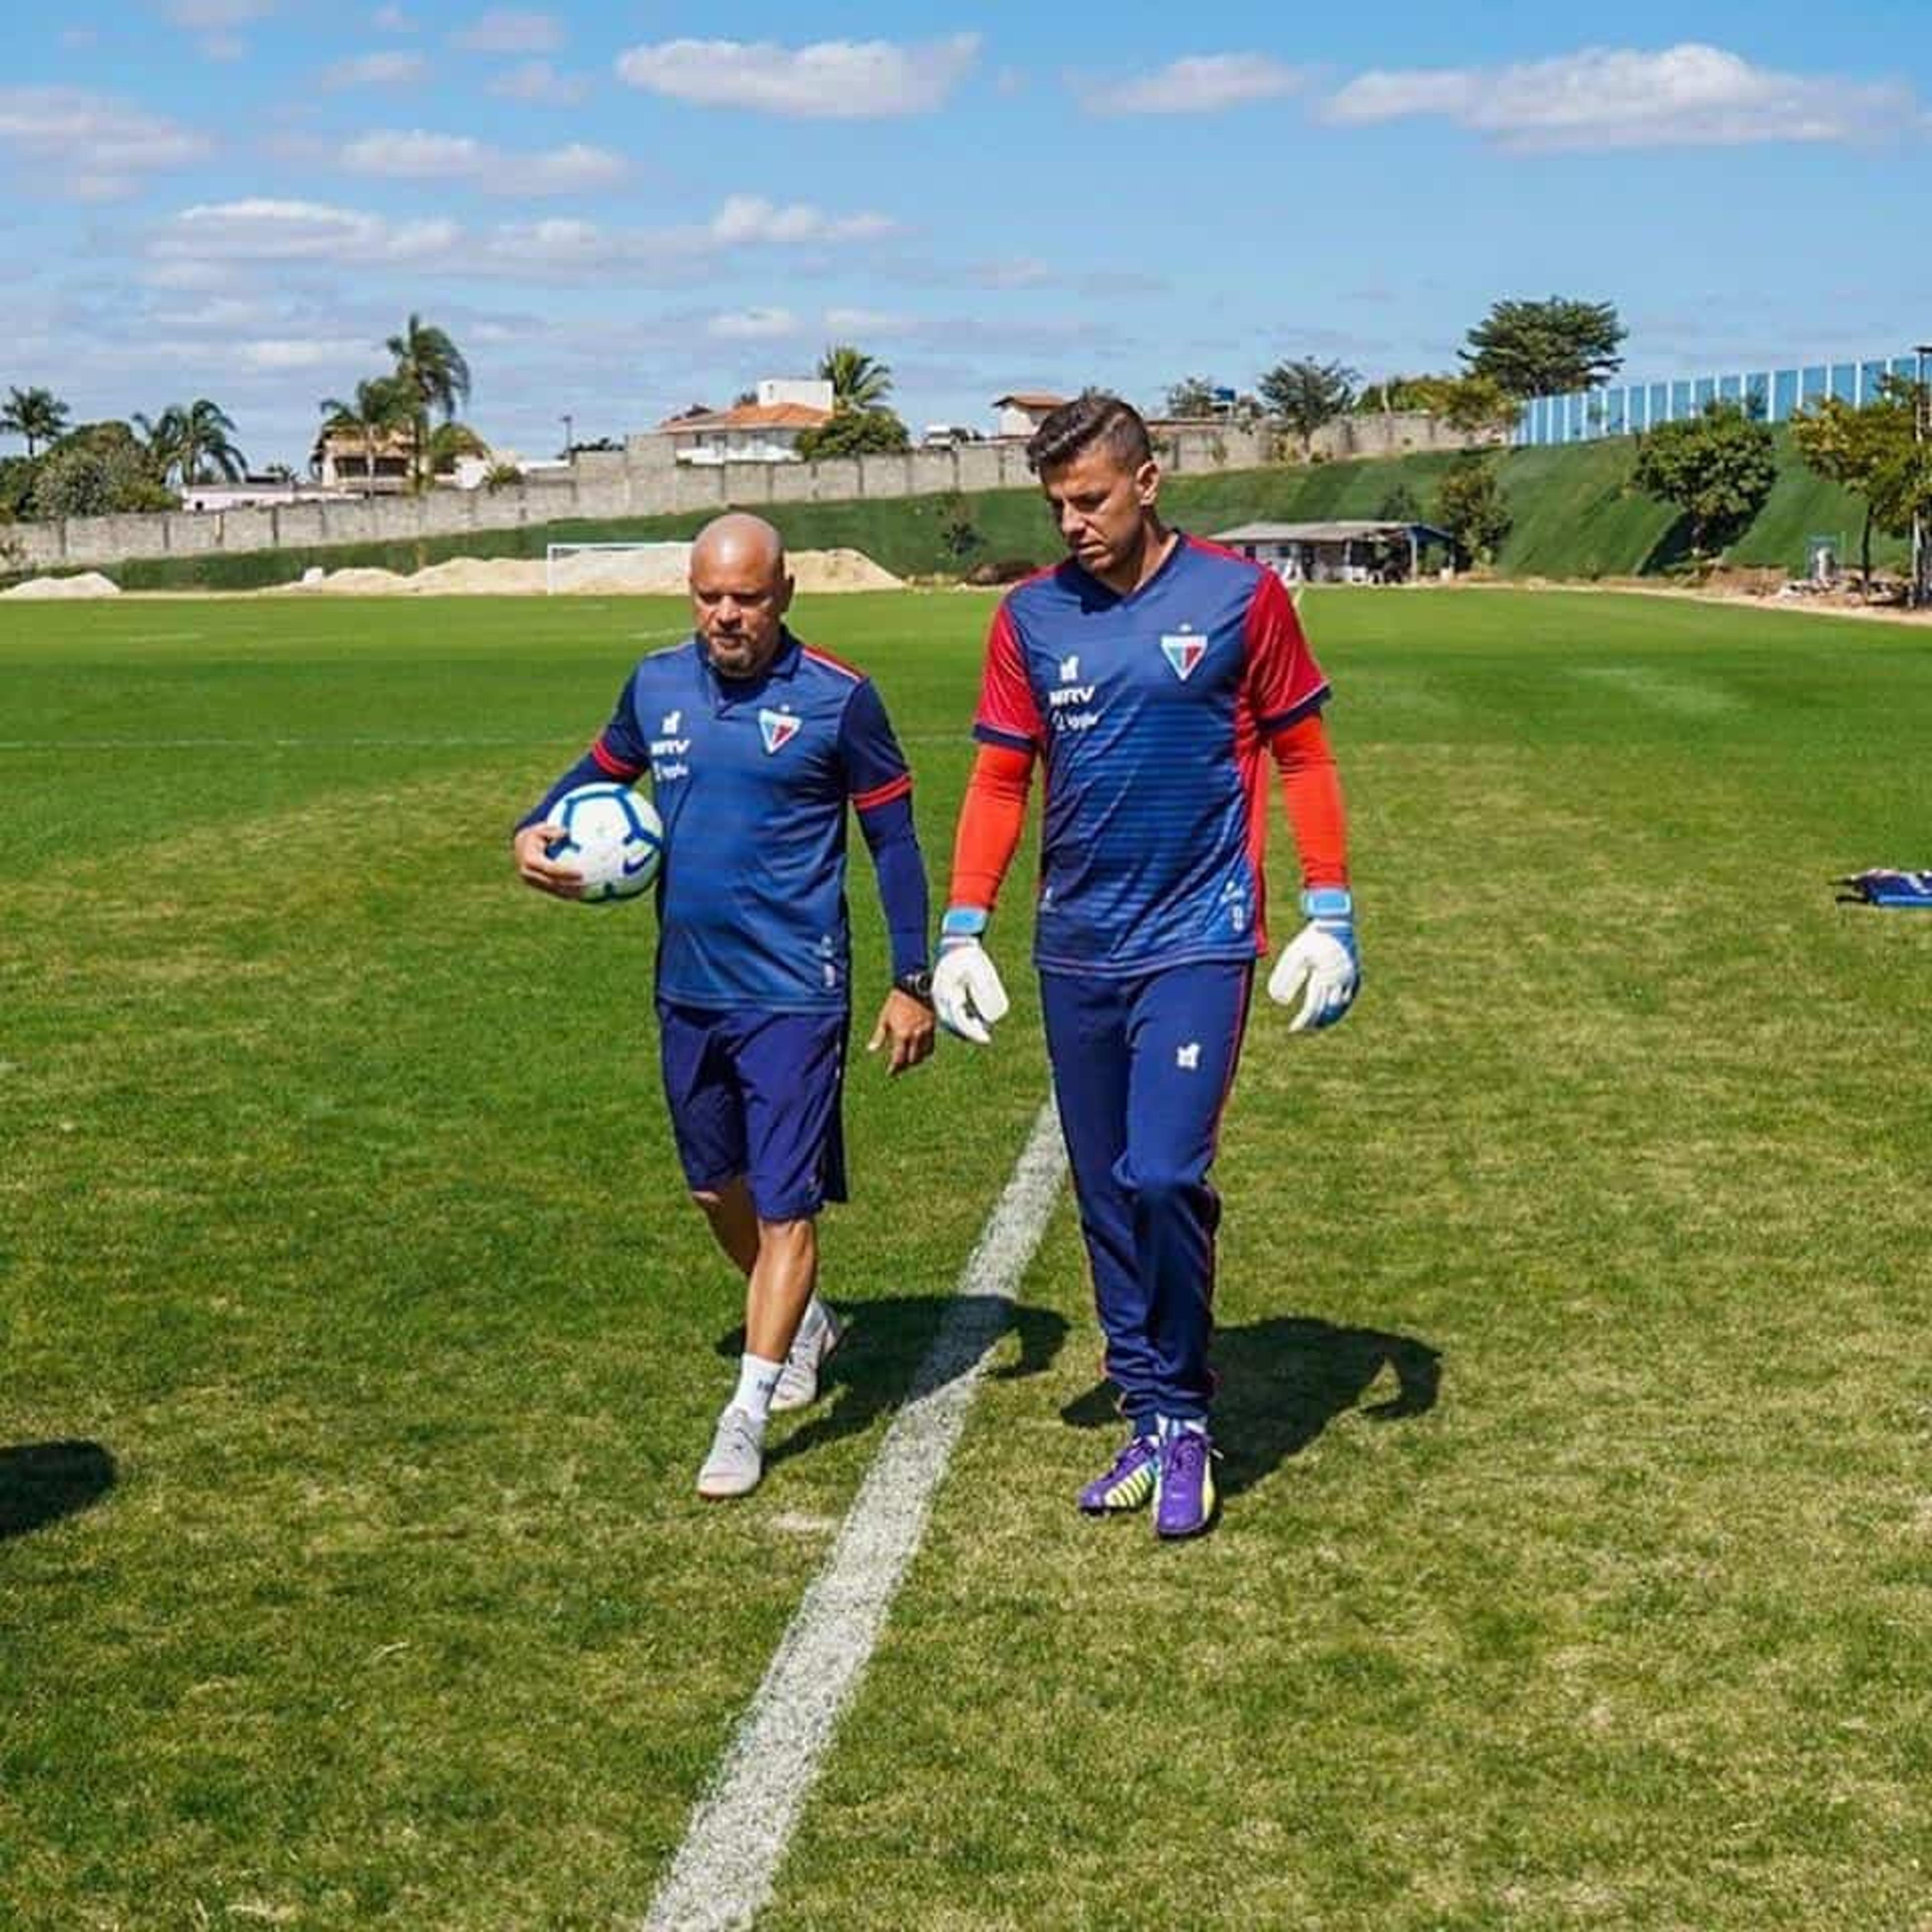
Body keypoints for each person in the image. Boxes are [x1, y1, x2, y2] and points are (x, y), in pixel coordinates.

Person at [930, 394, 1360, 1540]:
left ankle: (1181, 1410)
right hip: (1076, 944)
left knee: (1166, 1172)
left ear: (1149, 480)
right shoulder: (1029, 620)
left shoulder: (1240, 598)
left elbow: (1305, 756)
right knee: (1109, 1192)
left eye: (1091, 499)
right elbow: (1000, 780)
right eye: (1056, 504)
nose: (1072, 522)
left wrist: (1332, 910)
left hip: (1199, 936)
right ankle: (1158, 1412)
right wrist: (962, 927)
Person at [513, 513, 935, 1500]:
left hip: (795, 990)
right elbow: (599, 776)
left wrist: (911, 981)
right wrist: (533, 828)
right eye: (710, 598)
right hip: (688, 983)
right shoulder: (657, 683)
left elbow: (898, 845)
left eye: (747, 598)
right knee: (716, 1189)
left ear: (785, 593)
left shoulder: (841, 700)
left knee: (786, 1201)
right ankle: (805, 1321)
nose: (727, 616)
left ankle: (746, 1410)